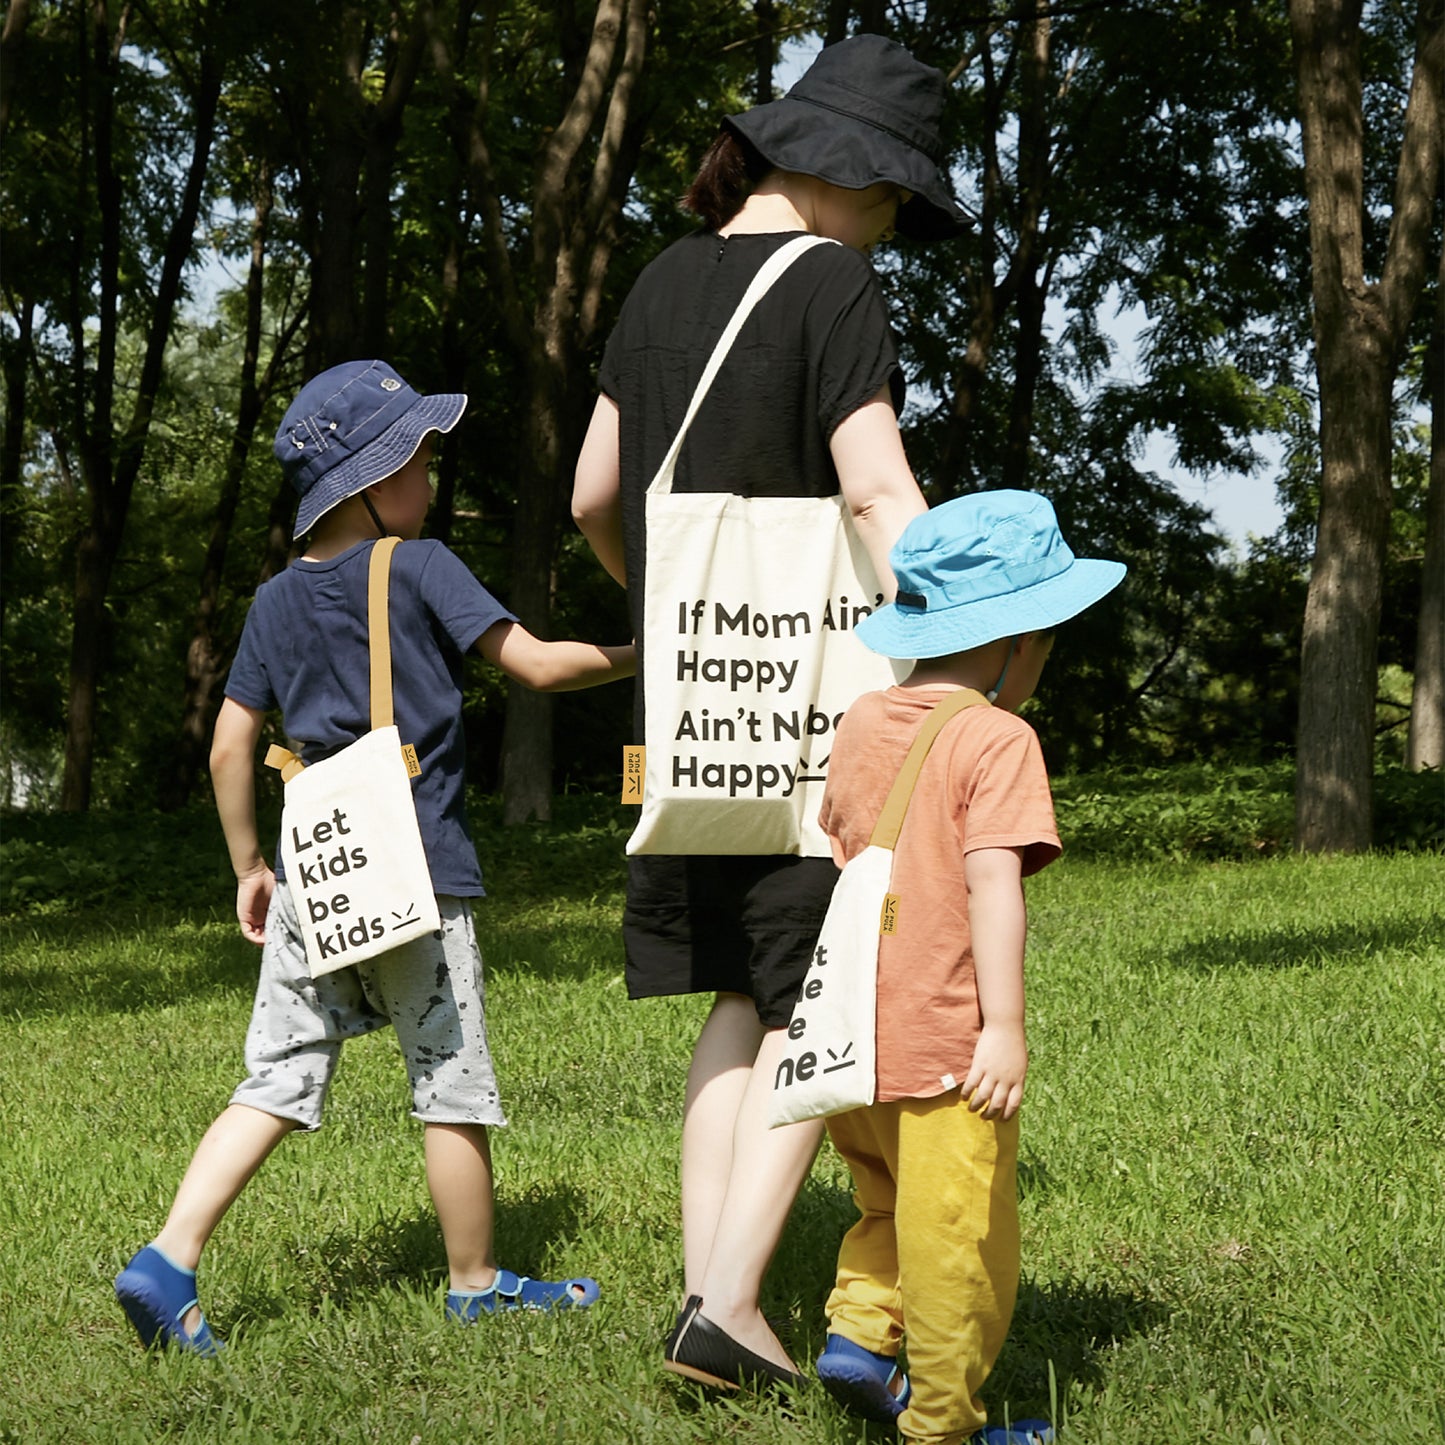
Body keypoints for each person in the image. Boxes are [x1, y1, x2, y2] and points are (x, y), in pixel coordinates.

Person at [571, 35, 970, 1388]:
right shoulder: (834, 284)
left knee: (732, 986)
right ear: (837, 168)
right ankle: (733, 1297)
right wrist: (966, 622)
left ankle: (708, 1292)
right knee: (818, 982)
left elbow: (593, 494)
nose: (892, 219)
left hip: (696, 698)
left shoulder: (657, 282)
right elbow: (874, 492)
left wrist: (686, 611)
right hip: (815, 705)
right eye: (893, 192)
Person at [114, 359, 635, 1355]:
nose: (430, 480)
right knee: (448, 1078)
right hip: (415, 870)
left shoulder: (271, 599)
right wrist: (639, 648)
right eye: (420, 459)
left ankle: (169, 1257)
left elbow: (230, 745)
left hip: (316, 867)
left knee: (273, 1077)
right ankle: (475, 1279)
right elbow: (534, 664)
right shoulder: (422, 565)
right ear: (373, 478)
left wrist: (247, 866)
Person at [811, 490, 1126, 1445]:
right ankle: (945, 1425)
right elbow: (996, 889)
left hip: (849, 1031)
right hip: (943, 1040)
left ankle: (860, 1336)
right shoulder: (999, 737)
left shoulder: (864, 718)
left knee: (882, 1194)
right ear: (1016, 641)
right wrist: (1003, 1026)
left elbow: (841, 841)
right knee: (957, 1237)